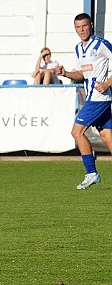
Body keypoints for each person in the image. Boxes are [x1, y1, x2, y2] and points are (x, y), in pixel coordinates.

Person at [54, 13, 112, 189]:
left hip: (98, 98)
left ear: (91, 25)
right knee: (107, 135)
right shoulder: (79, 48)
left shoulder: (101, 44)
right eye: (78, 27)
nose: (81, 30)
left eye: (84, 26)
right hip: (93, 97)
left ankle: (91, 173)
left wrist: (108, 83)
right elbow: (81, 74)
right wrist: (65, 74)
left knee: (76, 132)